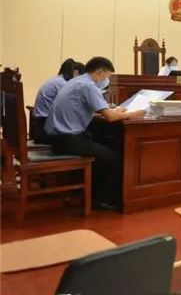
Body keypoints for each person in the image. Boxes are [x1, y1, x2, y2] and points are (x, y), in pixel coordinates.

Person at [45, 56, 145, 209]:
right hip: (68, 140)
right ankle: (102, 199)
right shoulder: (89, 86)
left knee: (106, 144)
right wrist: (133, 114)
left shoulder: (76, 82)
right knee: (114, 157)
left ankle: (94, 193)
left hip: (56, 137)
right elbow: (110, 117)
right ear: (100, 72)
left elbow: (92, 108)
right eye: (106, 77)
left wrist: (114, 111)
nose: (106, 81)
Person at [32, 58, 85, 143]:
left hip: (40, 127)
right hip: (46, 131)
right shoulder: (62, 84)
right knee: (82, 137)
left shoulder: (55, 80)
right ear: (76, 73)